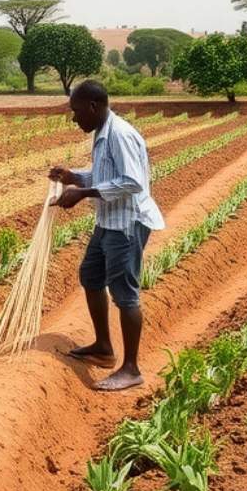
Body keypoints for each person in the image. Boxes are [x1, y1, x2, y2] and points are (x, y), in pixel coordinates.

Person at [48, 79, 164, 390]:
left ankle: (131, 368)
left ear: (94, 107)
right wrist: (75, 177)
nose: (74, 119)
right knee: (90, 275)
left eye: (76, 111)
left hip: (127, 223)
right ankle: (103, 347)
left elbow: (131, 182)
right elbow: (105, 177)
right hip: (109, 220)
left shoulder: (120, 135)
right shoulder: (102, 133)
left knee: (125, 294)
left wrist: (83, 192)